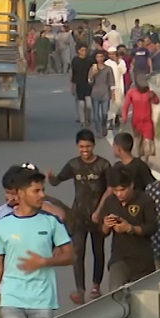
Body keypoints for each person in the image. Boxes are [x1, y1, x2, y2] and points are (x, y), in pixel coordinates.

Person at [0, 167, 74, 318]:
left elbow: (70, 256)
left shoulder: (51, 222)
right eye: (36, 191)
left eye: (43, 190)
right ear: (22, 193)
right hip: (12, 301)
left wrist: (45, 262)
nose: (41, 195)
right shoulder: (3, 225)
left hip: (42, 301)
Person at [46, 129, 111, 304]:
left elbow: (110, 188)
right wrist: (50, 178)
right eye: (82, 146)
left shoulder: (103, 165)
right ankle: (80, 290)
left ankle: (96, 286)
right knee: (78, 251)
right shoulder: (73, 165)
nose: (85, 150)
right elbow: (58, 180)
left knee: (98, 251)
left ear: (93, 146)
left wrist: (99, 210)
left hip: (97, 215)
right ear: (77, 147)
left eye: (88, 146)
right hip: (78, 216)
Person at [100, 164, 158, 291]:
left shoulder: (145, 200)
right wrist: (106, 225)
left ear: (131, 185)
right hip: (119, 258)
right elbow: (103, 232)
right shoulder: (110, 201)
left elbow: (152, 227)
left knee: (142, 300)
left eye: (122, 189)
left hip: (142, 261)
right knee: (115, 294)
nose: (119, 194)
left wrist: (130, 228)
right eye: (116, 190)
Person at [122, 74, 160, 164]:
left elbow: (157, 102)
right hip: (136, 122)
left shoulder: (149, 92)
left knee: (148, 141)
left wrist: (154, 96)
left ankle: (146, 160)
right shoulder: (132, 92)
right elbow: (126, 105)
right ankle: (139, 158)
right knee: (138, 141)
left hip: (147, 121)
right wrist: (124, 116)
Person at [88, 50, 114, 138]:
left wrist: (113, 94)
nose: (99, 58)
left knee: (104, 113)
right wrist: (93, 75)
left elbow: (111, 82)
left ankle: (103, 126)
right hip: (95, 93)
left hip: (105, 93)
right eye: (97, 57)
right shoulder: (93, 68)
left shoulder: (108, 69)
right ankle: (98, 131)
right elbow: (89, 81)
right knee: (95, 115)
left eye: (101, 56)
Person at [69, 44, 94, 125]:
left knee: (89, 104)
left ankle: (88, 118)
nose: (84, 52)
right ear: (78, 51)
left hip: (88, 85)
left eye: (85, 50)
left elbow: (94, 70)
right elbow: (73, 73)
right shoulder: (75, 60)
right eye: (82, 50)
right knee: (81, 104)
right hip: (79, 84)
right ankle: (82, 120)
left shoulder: (90, 60)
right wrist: (72, 85)